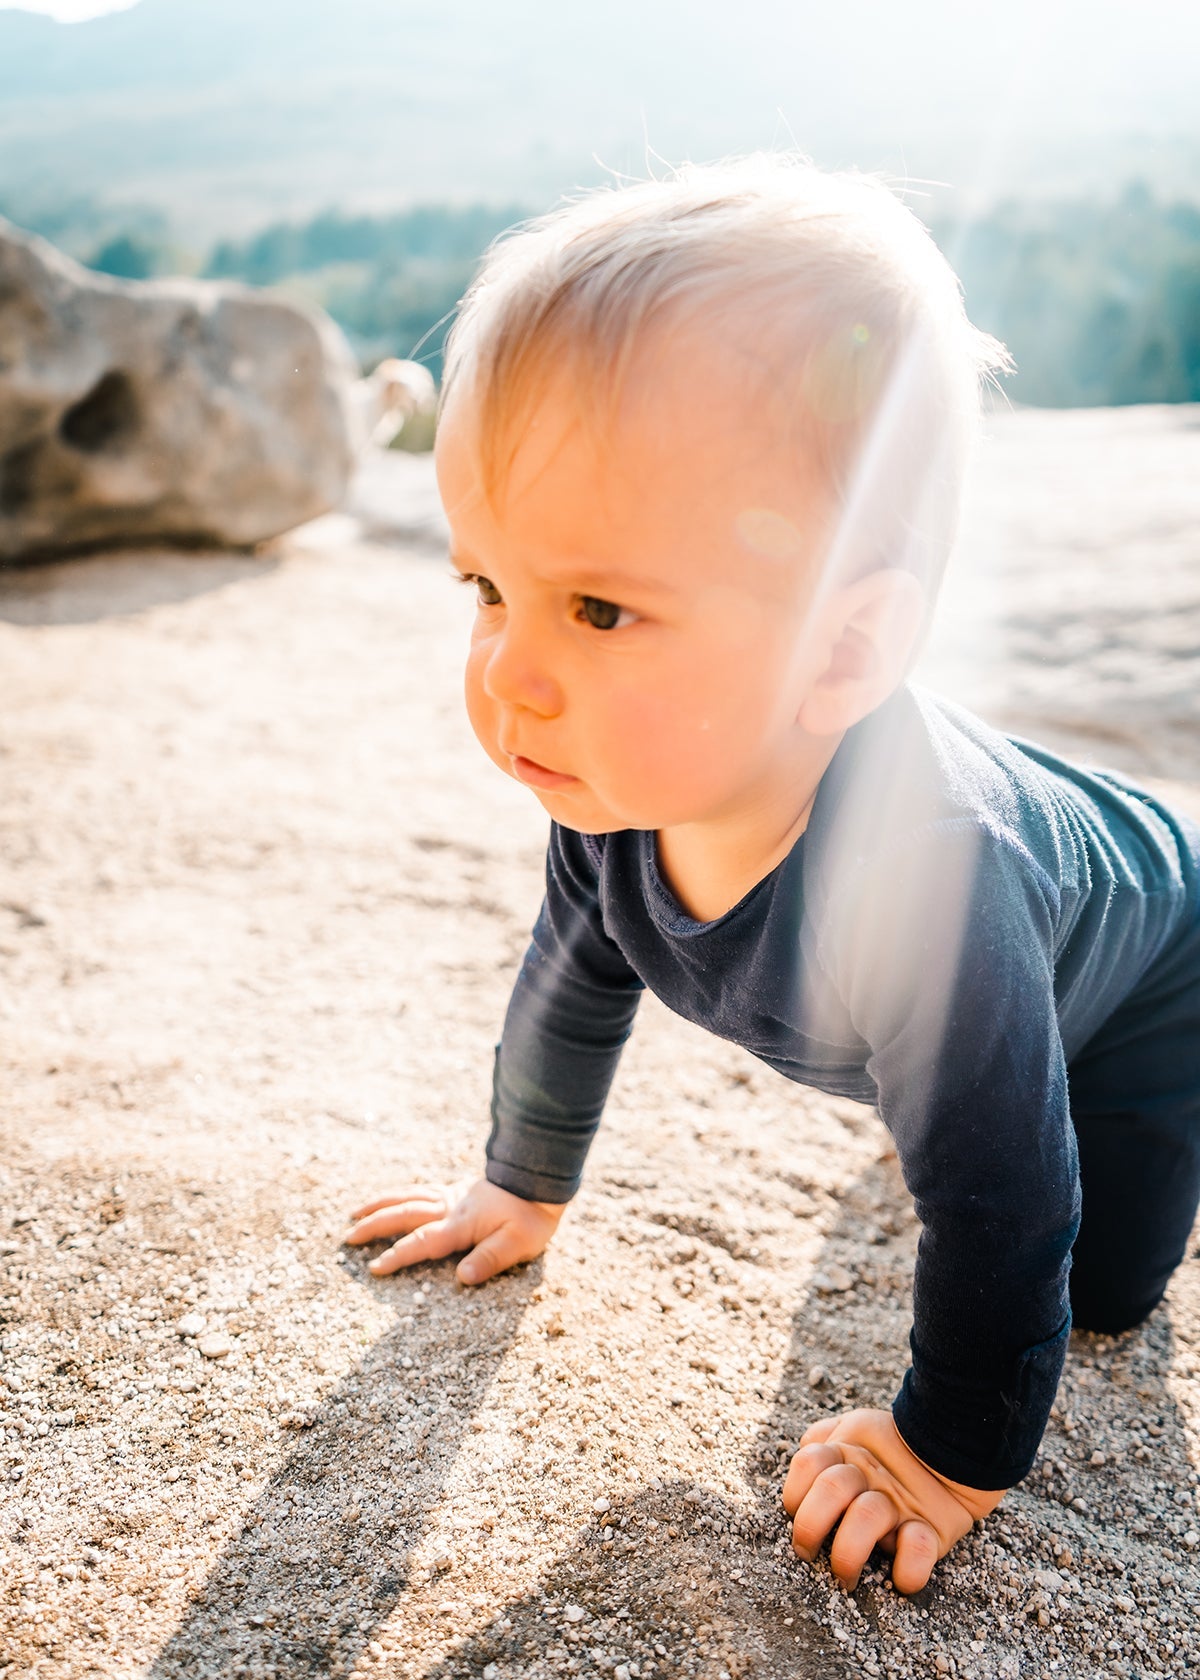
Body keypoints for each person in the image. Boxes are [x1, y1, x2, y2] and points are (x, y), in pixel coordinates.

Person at [343, 155, 1200, 1595]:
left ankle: (1013, 1061)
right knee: (966, 1092)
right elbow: (572, 986)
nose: (512, 675)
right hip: (1004, 924)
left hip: (1157, 967)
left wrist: (948, 1452)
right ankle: (982, 1063)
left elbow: (1012, 1207)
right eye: (487, 587)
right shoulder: (621, 791)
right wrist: (521, 1183)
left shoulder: (932, 881)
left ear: (848, 652)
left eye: (600, 608)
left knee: (1096, 1283)